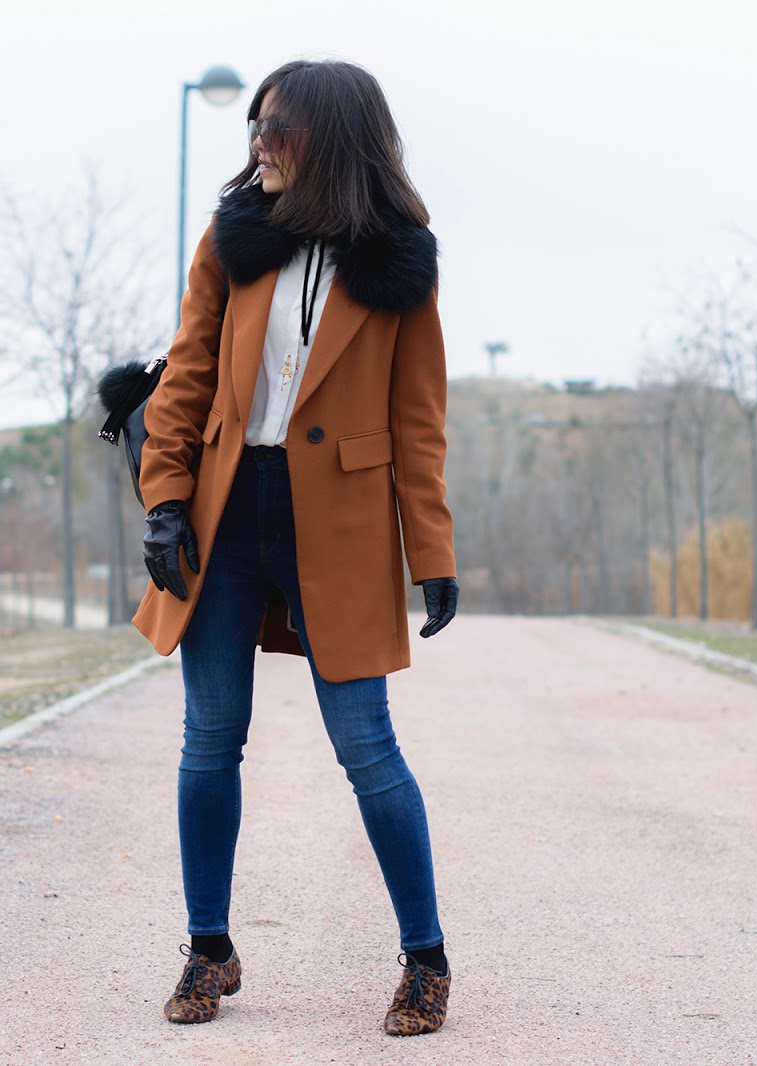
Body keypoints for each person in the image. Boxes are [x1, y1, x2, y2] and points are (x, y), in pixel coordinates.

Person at [133, 58, 459, 1038]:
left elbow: (419, 421)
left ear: (330, 140)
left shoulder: (398, 261)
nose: (258, 144)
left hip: (344, 528)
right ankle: (209, 945)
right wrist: (164, 503)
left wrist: (431, 551)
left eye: (276, 128)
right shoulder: (231, 245)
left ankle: (425, 956)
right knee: (209, 737)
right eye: (253, 127)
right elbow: (186, 378)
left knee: (367, 746)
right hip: (226, 516)